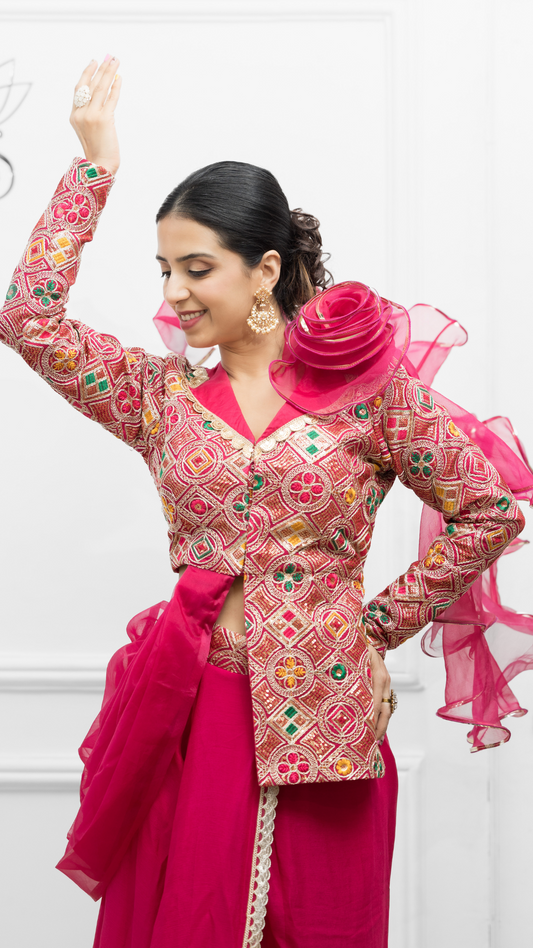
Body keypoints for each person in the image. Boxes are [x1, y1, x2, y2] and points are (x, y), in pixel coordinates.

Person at [1, 58, 531, 948]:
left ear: (266, 270)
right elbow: (29, 319)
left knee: (321, 922)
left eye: (196, 267)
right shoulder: (156, 396)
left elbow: (490, 508)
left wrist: (376, 625)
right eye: (164, 268)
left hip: (325, 708)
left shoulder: (373, 400)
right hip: (189, 700)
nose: (171, 292)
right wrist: (93, 169)